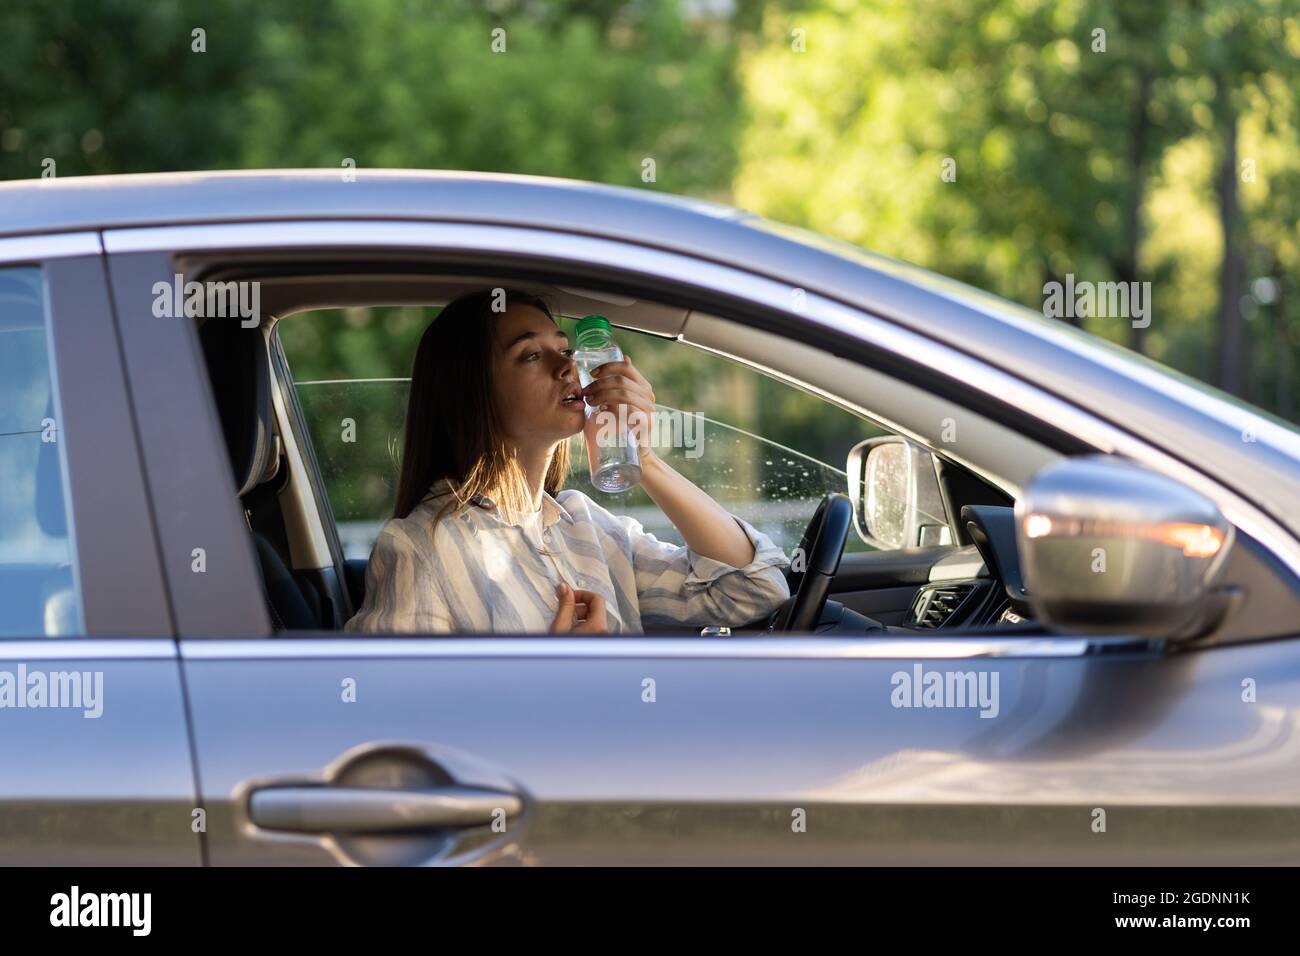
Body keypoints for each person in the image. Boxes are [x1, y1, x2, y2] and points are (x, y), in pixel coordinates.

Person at [344, 288, 790, 634]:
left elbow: (752, 588)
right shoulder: (422, 546)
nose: (567, 366)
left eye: (565, 348)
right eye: (531, 355)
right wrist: (555, 672)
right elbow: (396, 720)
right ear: (471, 394)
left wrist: (643, 456)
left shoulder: (584, 524)